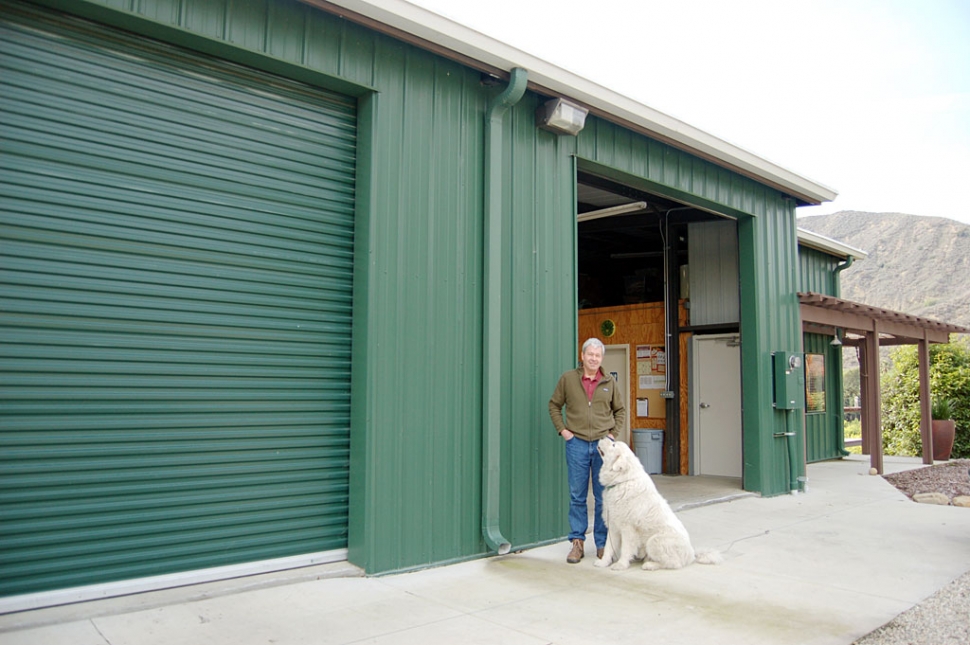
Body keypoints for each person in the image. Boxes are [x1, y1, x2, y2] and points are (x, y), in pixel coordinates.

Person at [548, 337, 626, 564]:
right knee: (577, 496)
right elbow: (554, 405)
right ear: (582, 356)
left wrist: (612, 436)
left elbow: (619, 410)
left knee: (603, 497)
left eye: (598, 355)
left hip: (603, 447)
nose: (593, 358)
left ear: (601, 358)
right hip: (577, 444)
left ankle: (602, 545)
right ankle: (577, 543)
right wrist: (563, 431)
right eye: (590, 354)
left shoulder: (609, 382)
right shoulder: (568, 379)